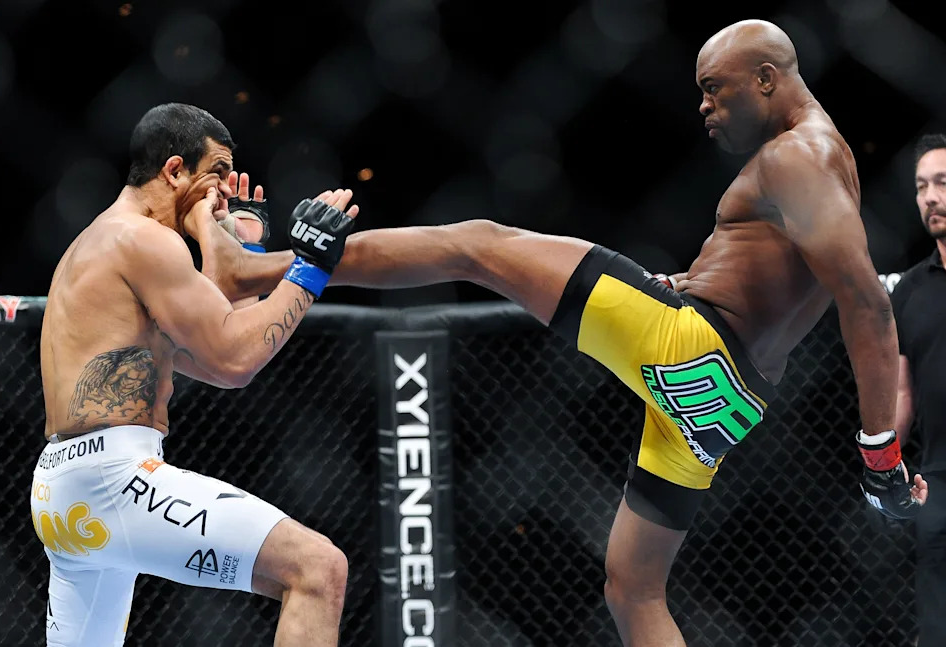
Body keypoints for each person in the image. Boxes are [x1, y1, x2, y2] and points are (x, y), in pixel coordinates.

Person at [326, 19, 931, 645]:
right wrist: (692, 282)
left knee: (475, 244)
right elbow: (792, 283)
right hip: (729, 402)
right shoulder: (828, 155)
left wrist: (879, 448)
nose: (704, 106)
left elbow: (866, 302)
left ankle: (281, 265)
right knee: (633, 589)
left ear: (765, 78)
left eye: (713, 88)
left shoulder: (795, 156)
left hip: (688, 342)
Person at [30, 102, 360, 647]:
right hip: (113, 478)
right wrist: (311, 265)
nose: (225, 192)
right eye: (218, 174)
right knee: (317, 570)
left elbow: (219, 360)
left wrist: (242, 248)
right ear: (174, 170)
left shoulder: (96, 244)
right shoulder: (144, 239)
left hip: (62, 488)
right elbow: (236, 358)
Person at [889, 133, 946, 646]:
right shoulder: (908, 291)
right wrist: (884, 460)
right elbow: (902, 394)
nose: (931, 197)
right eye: (921, 187)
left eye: (942, 183)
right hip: (939, 478)